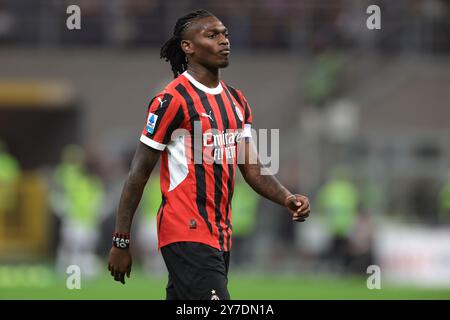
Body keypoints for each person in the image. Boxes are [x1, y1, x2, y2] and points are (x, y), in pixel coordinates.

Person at [107, 9, 310, 300]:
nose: (224, 41)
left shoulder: (237, 101)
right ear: (187, 47)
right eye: (212, 35)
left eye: (225, 34)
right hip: (186, 231)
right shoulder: (172, 100)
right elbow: (138, 173)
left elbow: (252, 167)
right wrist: (121, 240)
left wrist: (286, 197)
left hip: (219, 235)